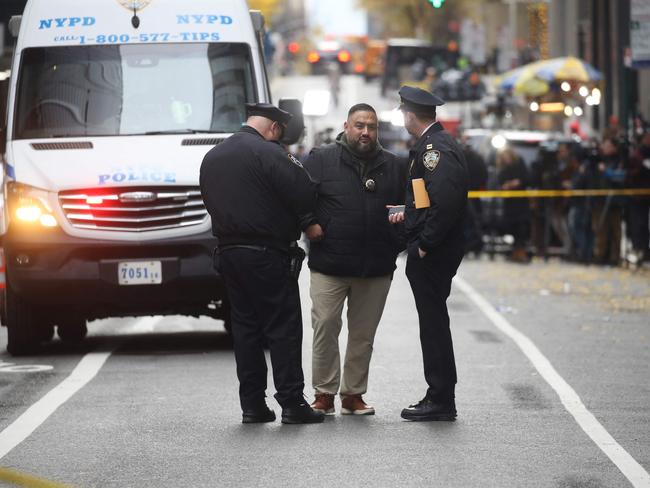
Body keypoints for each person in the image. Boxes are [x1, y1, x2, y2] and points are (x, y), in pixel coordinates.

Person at [199, 103, 324, 425]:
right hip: (267, 254)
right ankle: (292, 403)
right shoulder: (270, 153)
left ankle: (253, 405)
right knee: (283, 329)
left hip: (228, 254)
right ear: (274, 128)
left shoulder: (213, 156)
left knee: (246, 331)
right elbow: (304, 190)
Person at [301, 103, 407, 416]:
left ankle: (353, 395)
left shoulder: (394, 164)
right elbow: (299, 197)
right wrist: (309, 223)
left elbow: (407, 206)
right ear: (347, 126)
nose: (365, 132)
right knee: (325, 327)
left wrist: (394, 244)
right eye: (359, 125)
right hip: (329, 264)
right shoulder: (321, 159)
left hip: (374, 266)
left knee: (363, 335)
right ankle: (324, 393)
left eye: (371, 127)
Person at [388, 86, 469, 421]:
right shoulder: (430, 145)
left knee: (433, 325)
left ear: (410, 115)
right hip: (429, 247)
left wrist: (425, 244)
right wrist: (407, 211)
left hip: (433, 252)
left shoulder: (435, 149)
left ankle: (440, 398)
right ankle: (438, 394)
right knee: (431, 324)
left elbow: (446, 203)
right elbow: (427, 199)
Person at [497, 147, 530, 262]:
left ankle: (521, 252)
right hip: (510, 204)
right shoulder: (503, 169)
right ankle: (515, 252)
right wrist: (508, 185)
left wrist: (516, 183)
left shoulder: (520, 164)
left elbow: (526, 179)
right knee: (512, 228)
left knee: (521, 228)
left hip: (521, 203)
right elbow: (501, 182)